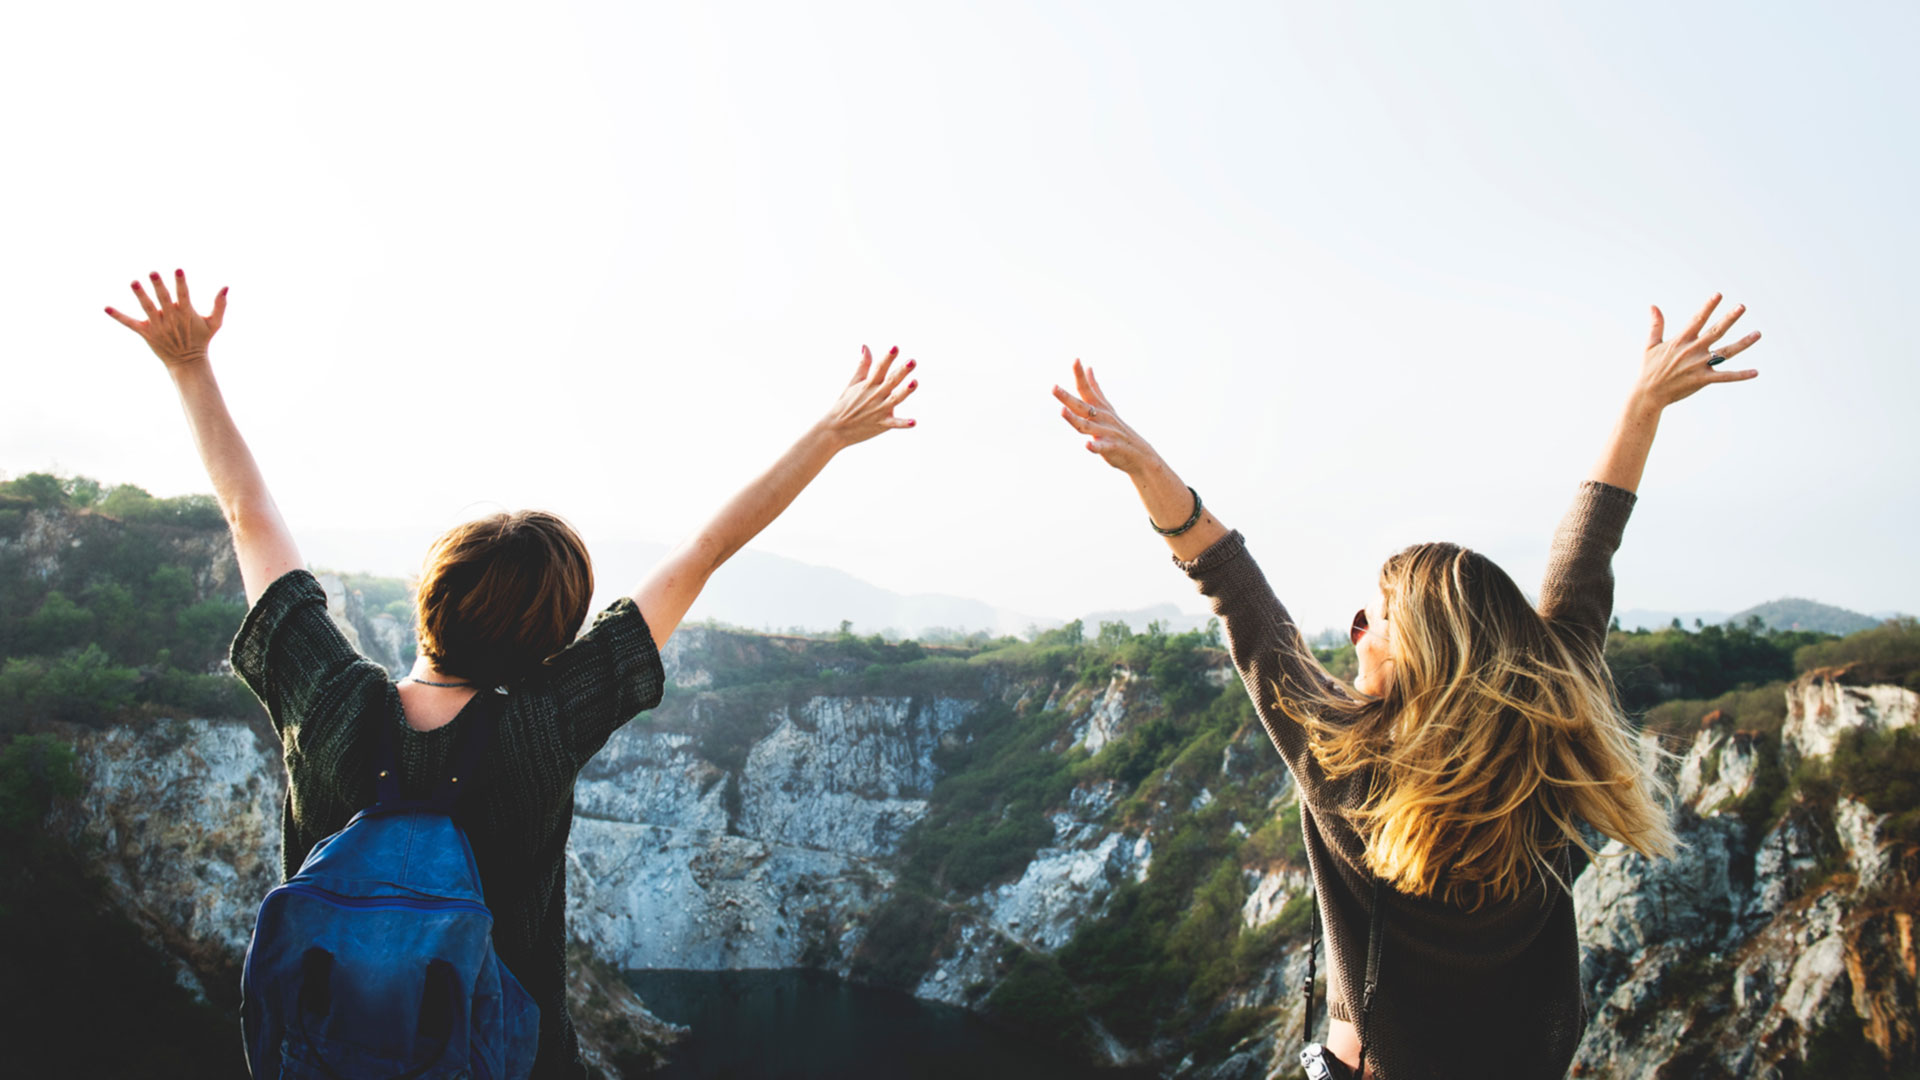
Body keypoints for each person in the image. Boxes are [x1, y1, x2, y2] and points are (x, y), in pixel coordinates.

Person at [105, 269, 921, 1078]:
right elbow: (703, 553)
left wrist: (189, 367)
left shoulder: (327, 701)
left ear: (431, 595)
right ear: (554, 640)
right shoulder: (546, 723)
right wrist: (829, 433)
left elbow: (250, 517)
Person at [1050, 295, 1761, 1079]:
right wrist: (1642, 404)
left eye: (1371, 617)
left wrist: (1149, 470)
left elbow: (1235, 590)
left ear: (1418, 649)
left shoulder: (1343, 759)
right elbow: (1588, 545)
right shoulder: (1549, 733)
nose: (1355, 630)